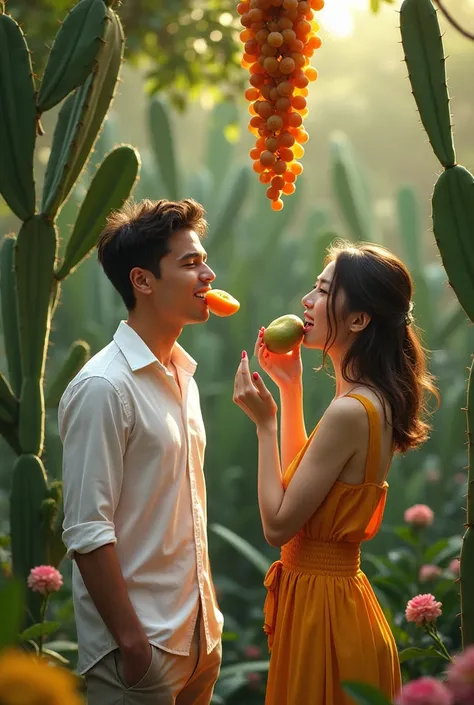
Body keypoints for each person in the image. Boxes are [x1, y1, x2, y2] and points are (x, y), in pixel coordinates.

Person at [233, 241, 437, 704]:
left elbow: (279, 524)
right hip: (332, 607)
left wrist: (265, 427)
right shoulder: (367, 401)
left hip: (324, 618)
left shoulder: (351, 410)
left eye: (323, 291)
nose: (307, 300)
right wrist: (290, 389)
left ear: (359, 320)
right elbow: (302, 486)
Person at [59, 199, 223, 705]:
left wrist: (207, 629)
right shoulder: (104, 388)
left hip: (199, 641)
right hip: (141, 654)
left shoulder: (184, 376)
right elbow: (87, 530)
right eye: (190, 263)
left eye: (204, 260)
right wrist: (134, 645)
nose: (208, 274)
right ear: (143, 281)